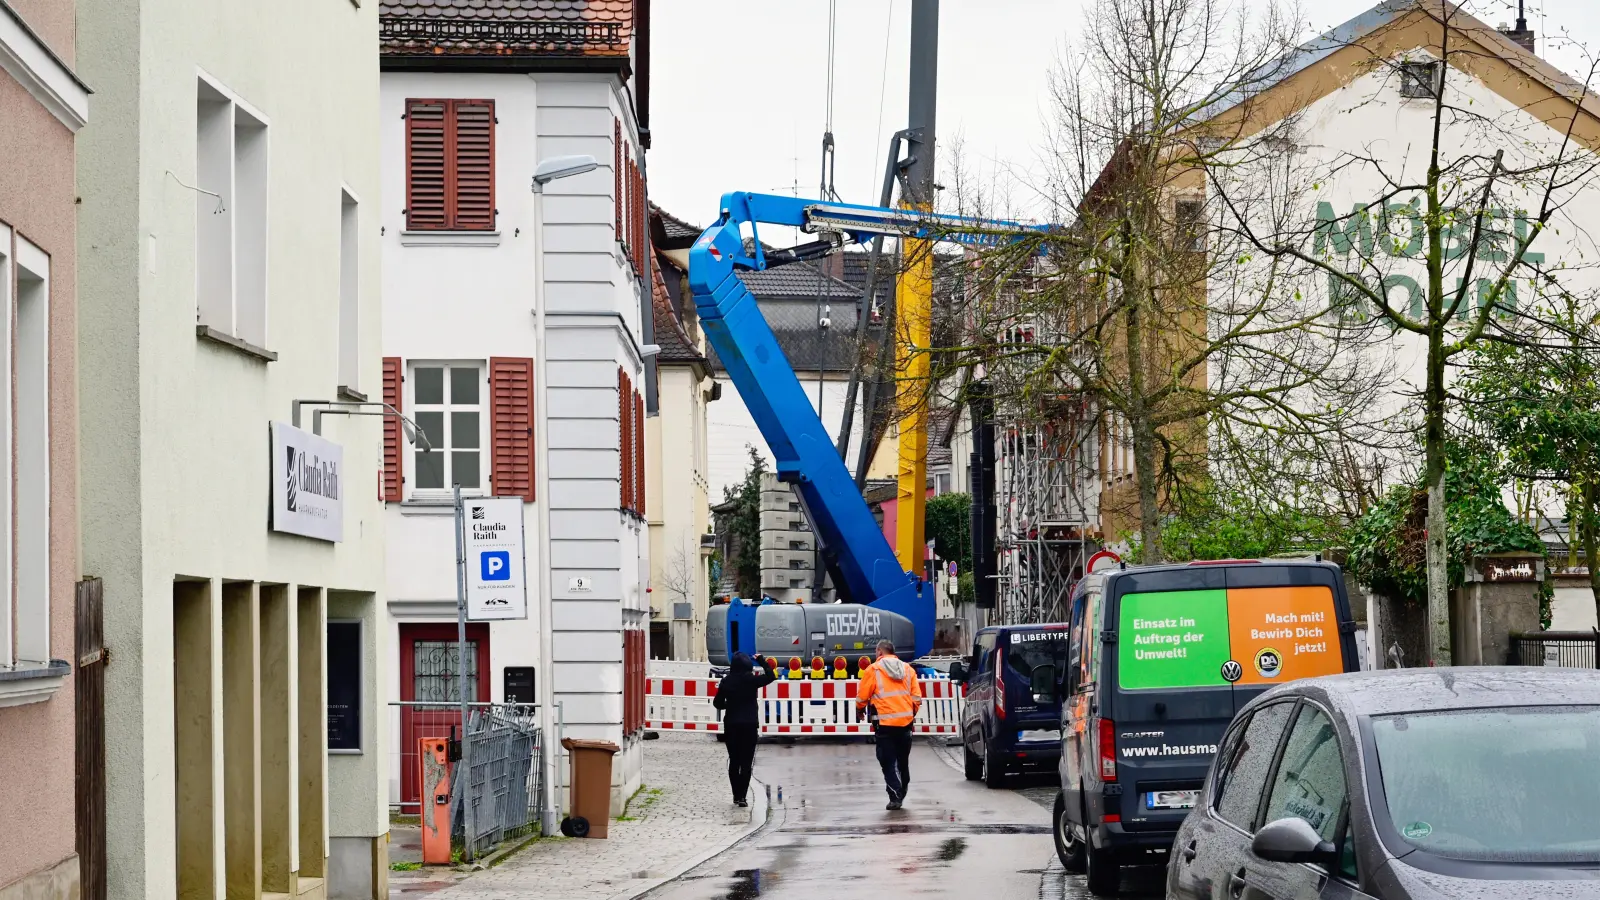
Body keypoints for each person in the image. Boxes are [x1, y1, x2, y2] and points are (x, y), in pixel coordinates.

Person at [856, 639, 921, 809]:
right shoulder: (908, 670)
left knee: (886, 761)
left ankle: (895, 795)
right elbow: (916, 698)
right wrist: (910, 713)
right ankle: (902, 789)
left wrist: (859, 709)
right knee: (902, 760)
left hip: (884, 723)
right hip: (905, 723)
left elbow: (863, 695)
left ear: (879, 652)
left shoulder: (874, 669)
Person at [713, 652, 776, 807]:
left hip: (732, 725)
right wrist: (761, 660)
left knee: (734, 761)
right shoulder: (752, 680)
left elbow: (717, 703)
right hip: (749, 725)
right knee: (747, 763)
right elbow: (771, 675)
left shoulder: (726, 681)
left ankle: (736, 795)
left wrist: (730, 705)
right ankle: (743, 797)